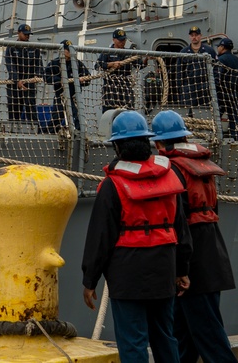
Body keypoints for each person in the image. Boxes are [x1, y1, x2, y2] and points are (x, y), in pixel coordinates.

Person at [81, 110, 192, 363]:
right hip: (164, 270)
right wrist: (182, 270)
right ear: (147, 142)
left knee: (133, 344)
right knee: (166, 338)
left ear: (118, 147)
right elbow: (180, 229)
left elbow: (100, 237)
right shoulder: (170, 176)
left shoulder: (113, 185)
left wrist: (90, 279)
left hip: (128, 275)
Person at [152, 111, 238, 363]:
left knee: (208, 335)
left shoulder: (172, 170)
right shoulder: (201, 166)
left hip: (191, 264)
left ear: (159, 143)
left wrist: (181, 269)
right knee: (183, 336)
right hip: (212, 255)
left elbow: (177, 222)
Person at [44, 39, 91, 130]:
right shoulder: (55, 63)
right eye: (68, 50)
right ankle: (47, 133)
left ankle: (78, 135)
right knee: (56, 119)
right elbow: (46, 76)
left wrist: (83, 80)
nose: (70, 52)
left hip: (74, 96)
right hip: (61, 95)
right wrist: (60, 80)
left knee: (76, 117)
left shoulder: (77, 64)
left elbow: (87, 78)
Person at [4, 23, 42, 123]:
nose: (27, 36)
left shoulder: (34, 48)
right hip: (14, 84)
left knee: (31, 109)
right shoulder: (11, 48)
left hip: (29, 83)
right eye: (25, 34)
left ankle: (33, 131)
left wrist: (37, 76)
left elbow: (38, 64)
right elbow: (10, 65)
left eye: (28, 34)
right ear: (18, 33)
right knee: (14, 109)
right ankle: (13, 132)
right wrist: (17, 81)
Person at [96, 28, 140, 112]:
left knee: (128, 111)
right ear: (114, 40)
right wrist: (111, 64)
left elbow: (139, 65)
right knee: (110, 112)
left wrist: (147, 59)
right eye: (120, 40)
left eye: (124, 40)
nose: (122, 42)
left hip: (125, 87)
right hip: (111, 89)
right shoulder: (107, 52)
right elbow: (98, 65)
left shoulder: (129, 53)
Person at [214, 38, 238, 141]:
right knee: (234, 119)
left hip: (222, 94)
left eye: (218, 46)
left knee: (216, 117)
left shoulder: (221, 60)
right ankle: (236, 139)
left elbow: (217, 77)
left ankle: (216, 137)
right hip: (236, 94)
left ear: (222, 47)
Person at [179, 26, 216, 111]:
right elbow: (179, 71)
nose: (194, 37)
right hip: (188, 87)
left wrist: (214, 84)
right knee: (187, 112)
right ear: (189, 37)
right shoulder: (183, 52)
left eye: (196, 35)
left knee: (205, 111)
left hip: (205, 87)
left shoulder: (209, 51)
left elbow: (216, 68)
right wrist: (181, 87)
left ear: (200, 36)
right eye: (192, 35)